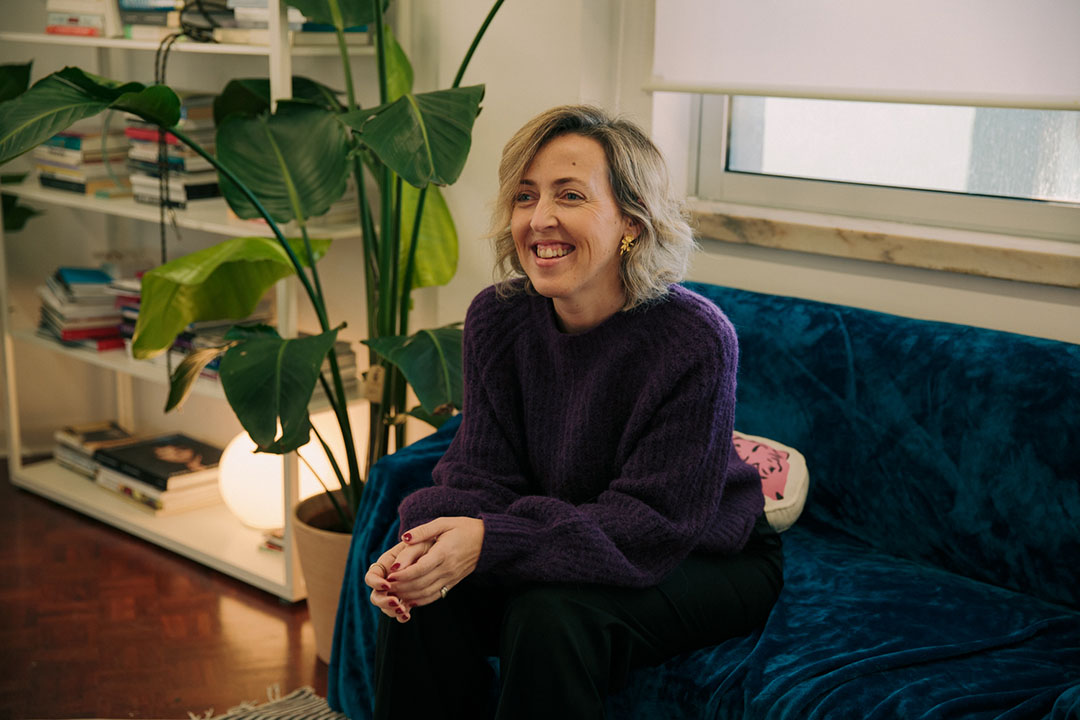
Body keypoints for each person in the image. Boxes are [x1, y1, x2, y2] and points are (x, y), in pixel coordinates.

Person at [365, 105, 784, 719]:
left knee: (550, 613)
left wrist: (490, 538)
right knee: (426, 589)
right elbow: (480, 474)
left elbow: (651, 524)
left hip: (703, 554)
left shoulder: (694, 339)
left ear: (631, 223)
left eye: (570, 195)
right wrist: (421, 544)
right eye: (525, 196)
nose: (540, 220)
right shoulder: (497, 317)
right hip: (570, 528)